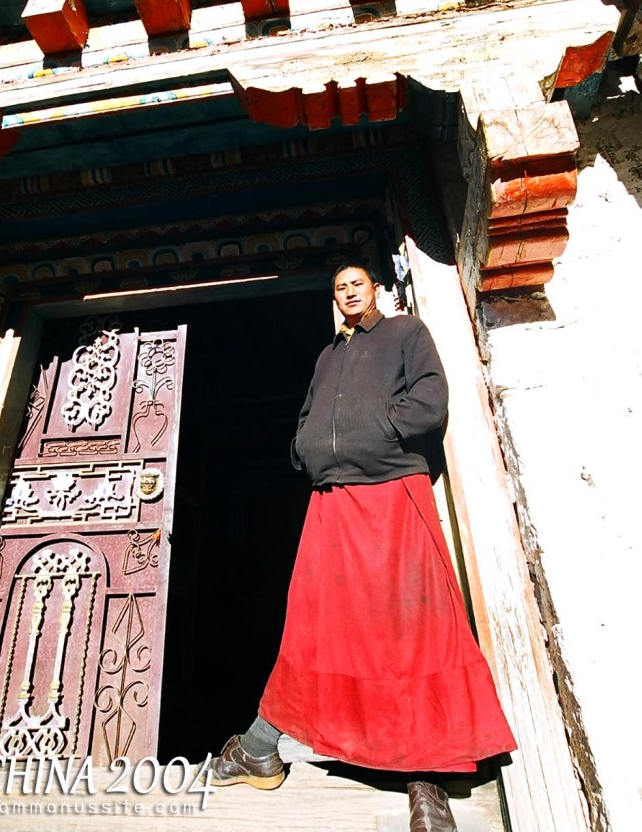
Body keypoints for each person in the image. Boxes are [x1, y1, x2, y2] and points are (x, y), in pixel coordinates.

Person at [209, 263, 517, 832]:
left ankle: (427, 777)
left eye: (357, 284)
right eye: (339, 288)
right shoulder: (328, 356)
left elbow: (431, 399)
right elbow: (308, 417)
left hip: (391, 493)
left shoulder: (406, 333)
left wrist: (380, 429)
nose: (348, 293)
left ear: (375, 289)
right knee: (315, 624)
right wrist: (305, 448)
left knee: (412, 629)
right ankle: (259, 747)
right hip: (331, 499)